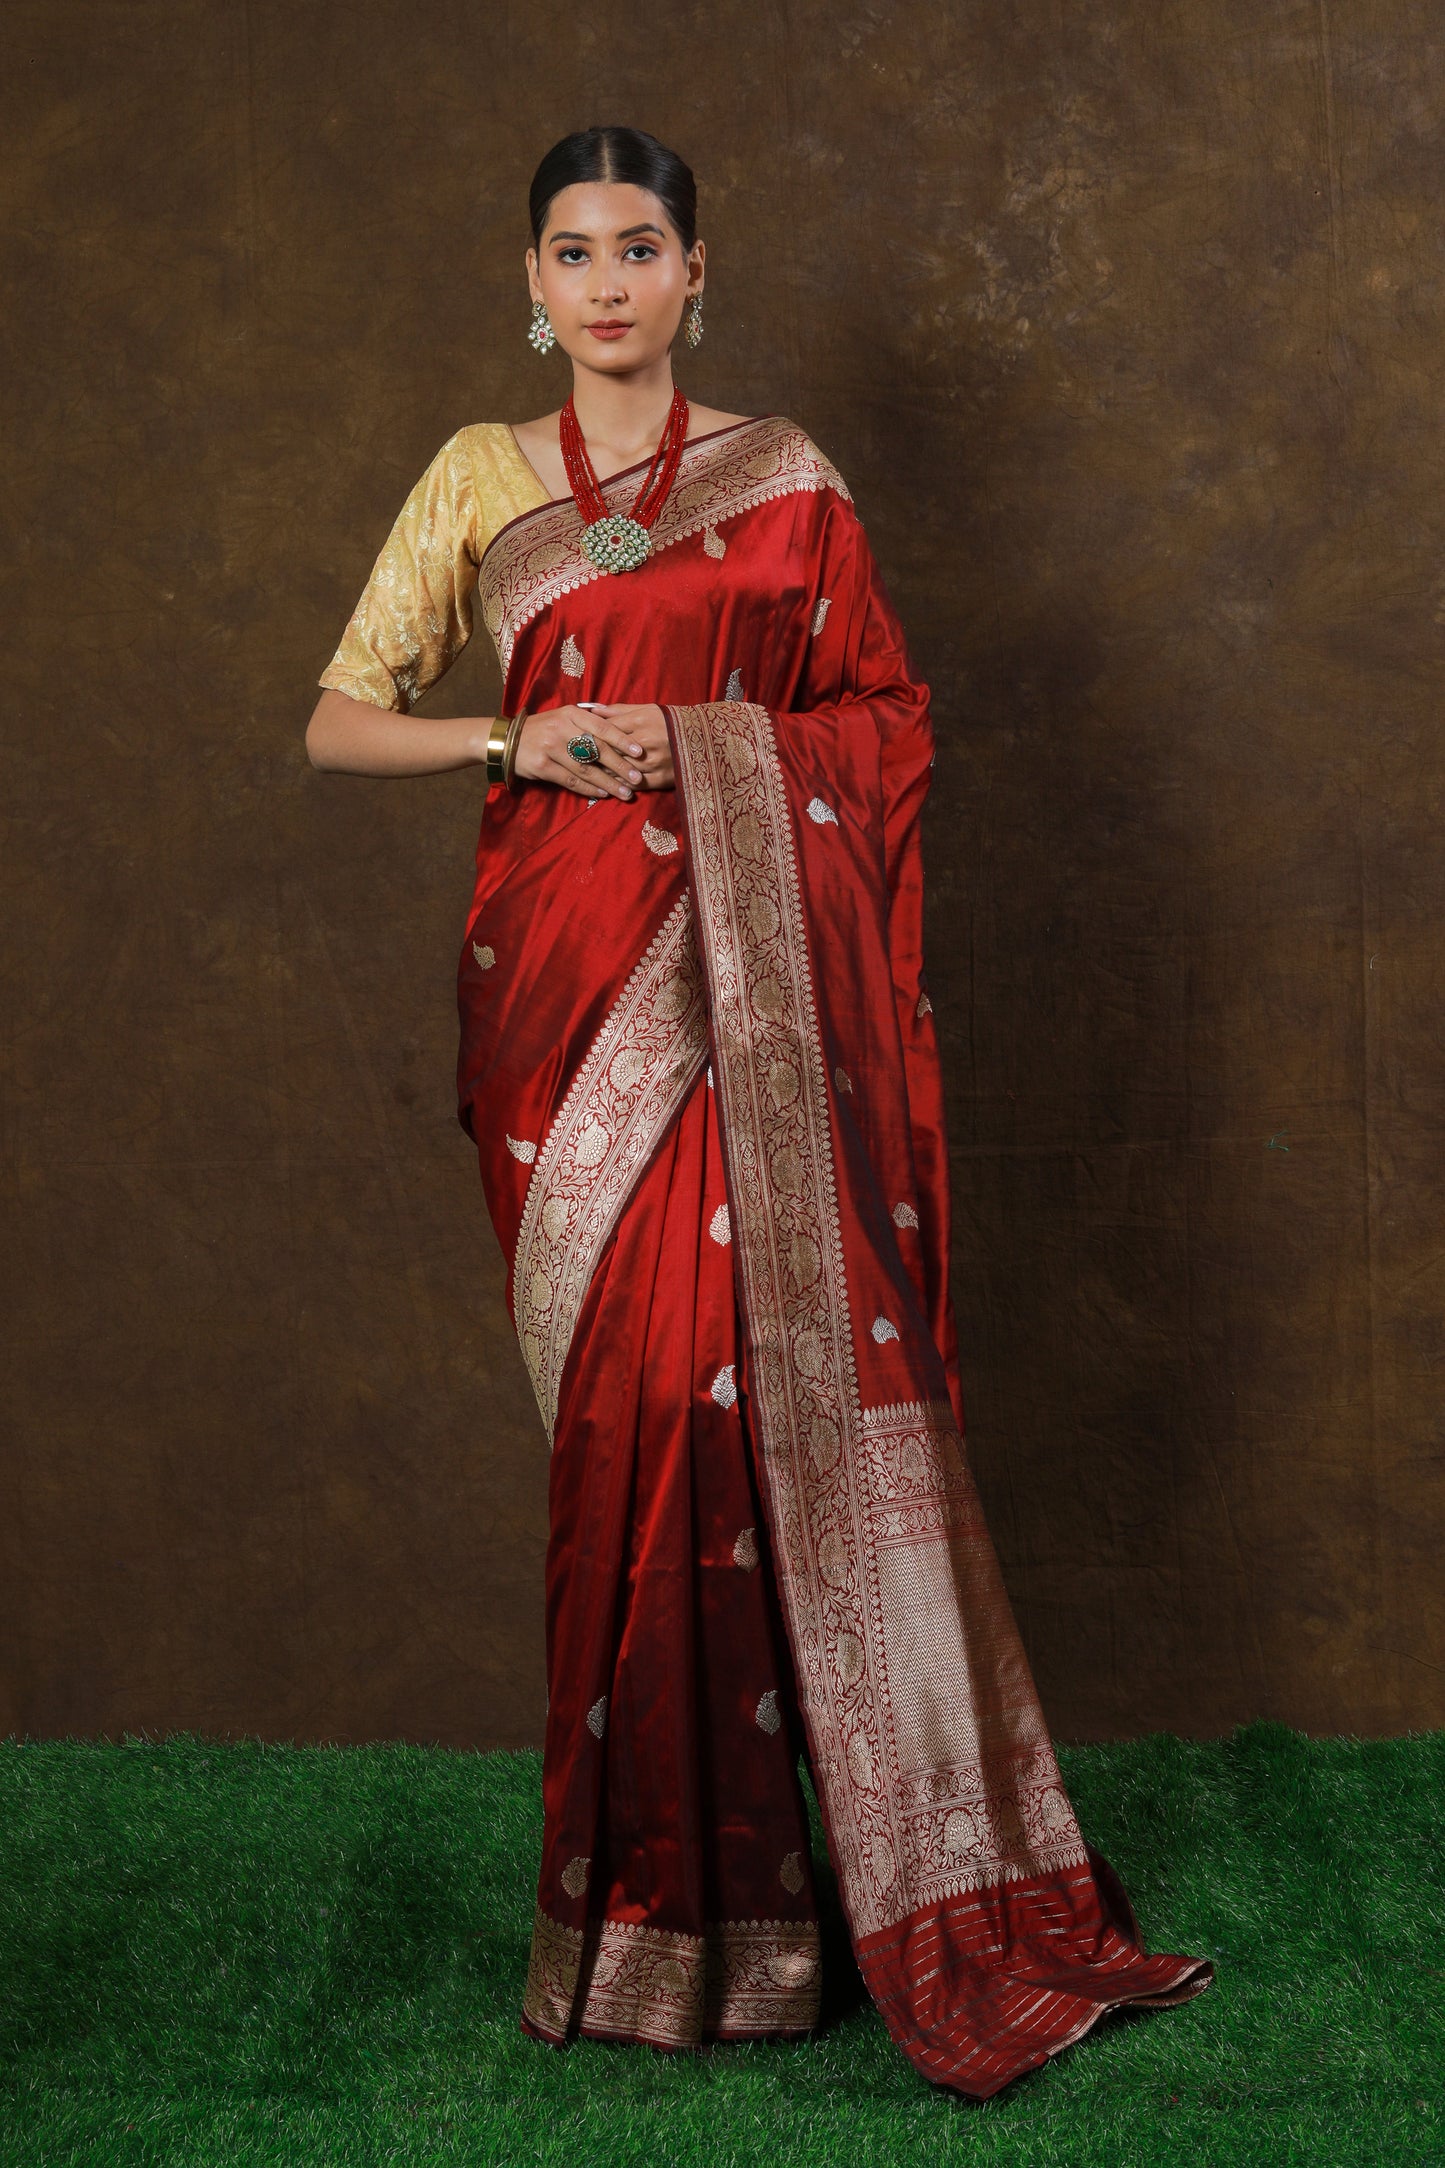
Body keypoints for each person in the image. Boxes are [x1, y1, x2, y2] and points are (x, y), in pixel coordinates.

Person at [305, 124, 1212, 2100]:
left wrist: (710, 748)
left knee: (722, 1417)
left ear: (697, 271)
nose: (606, 283)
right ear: (528, 281)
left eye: (640, 247)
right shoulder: (477, 477)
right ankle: (640, 1919)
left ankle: (766, 1917)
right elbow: (336, 714)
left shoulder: (788, 480)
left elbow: (882, 721)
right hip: (557, 1001)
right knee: (619, 1431)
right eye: (572, 251)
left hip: (749, 1008)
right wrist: (513, 733)